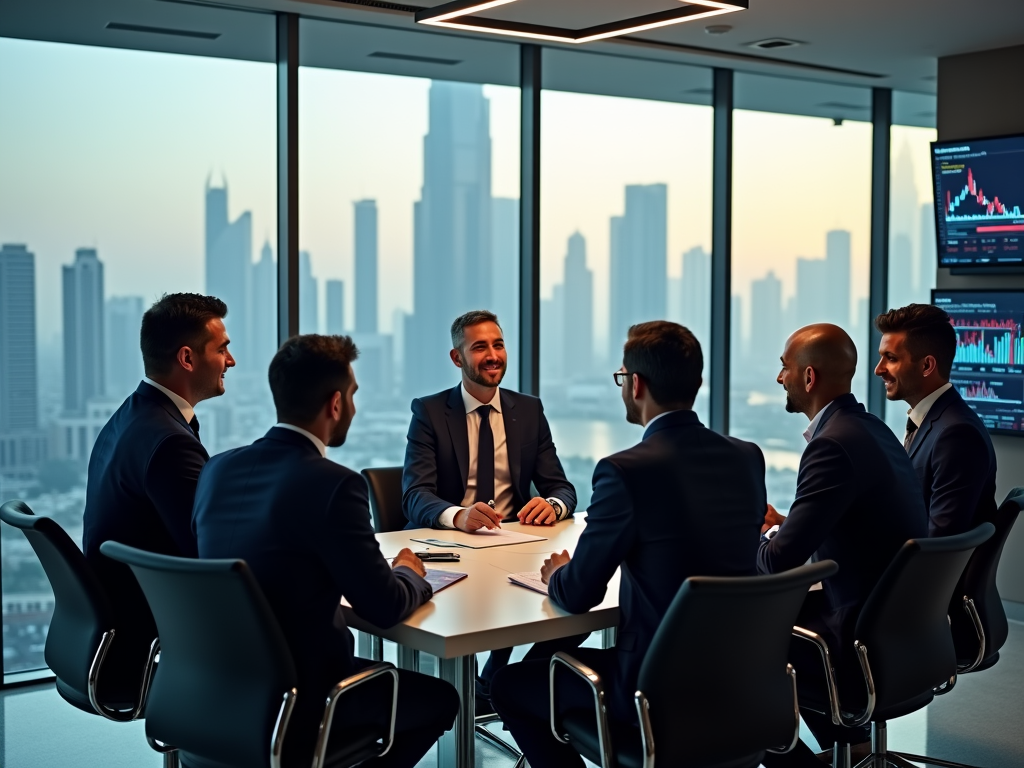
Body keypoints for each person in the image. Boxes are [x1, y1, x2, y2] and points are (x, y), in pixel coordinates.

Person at [490, 321, 767, 768]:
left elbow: (579, 594)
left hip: (651, 693)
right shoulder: (747, 457)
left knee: (508, 685)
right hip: (736, 683)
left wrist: (555, 574)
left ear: (635, 384)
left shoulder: (625, 471)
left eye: (622, 378)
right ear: (696, 383)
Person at [193, 335, 458, 768]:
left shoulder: (218, 468)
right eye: (352, 395)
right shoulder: (333, 484)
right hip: (306, 698)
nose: (353, 407)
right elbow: (385, 606)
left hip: (220, 686)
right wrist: (411, 572)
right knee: (441, 698)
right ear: (335, 404)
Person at [759, 324, 927, 766]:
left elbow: (778, 562)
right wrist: (787, 525)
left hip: (857, 647)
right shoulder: (867, 427)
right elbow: (849, 521)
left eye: (784, 369)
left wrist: (746, 535)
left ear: (808, 377)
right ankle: (851, 751)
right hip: (904, 637)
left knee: (733, 657)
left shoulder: (831, 444)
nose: (780, 378)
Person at [402, 309, 581, 710]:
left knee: (575, 606)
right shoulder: (430, 412)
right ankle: (491, 690)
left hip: (514, 550)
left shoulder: (529, 410)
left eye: (498, 344)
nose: (492, 355)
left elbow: (563, 488)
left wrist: (551, 505)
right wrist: (458, 514)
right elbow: (414, 494)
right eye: (479, 347)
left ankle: (503, 684)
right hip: (453, 553)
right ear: (457, 358)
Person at [82, 292, 234, 679]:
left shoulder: (133, 415)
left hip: (121, 618)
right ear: (187, 358)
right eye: (222, 350)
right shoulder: (169, 441)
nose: (230, 361)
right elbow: (207, 553)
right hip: (151, 631)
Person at [874, 303, 997, 536]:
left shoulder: (957, 434)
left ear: (927, 365)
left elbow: (938, 542)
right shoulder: (936, 422)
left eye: (890, 358)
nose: (878, 369)